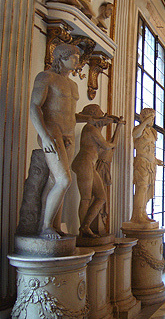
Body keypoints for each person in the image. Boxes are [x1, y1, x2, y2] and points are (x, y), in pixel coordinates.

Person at [30, 43, 82, 239]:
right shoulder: (46, 77)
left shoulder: (73, 84)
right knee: (63, 180)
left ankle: (53, 225)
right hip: (52, 131)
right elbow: (34, 106)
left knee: (55, 181)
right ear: (61, 57)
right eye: (74, 57)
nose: (77, 60)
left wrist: (91, 119)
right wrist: (44, 136)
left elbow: (69, 112)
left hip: (68, 134)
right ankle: (45, 227)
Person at [72, 104, 121, 238]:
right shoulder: (89, 128)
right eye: (100, 112)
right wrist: (117, 128)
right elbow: (107, 146)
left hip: (89, 165)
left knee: (101, 197)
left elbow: (108, 143)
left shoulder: (94, 129)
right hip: (84, 163)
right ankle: (83, 231)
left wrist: (117, 126)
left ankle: (85, 226)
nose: (103, 113)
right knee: (86, 198)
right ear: (93, 114)